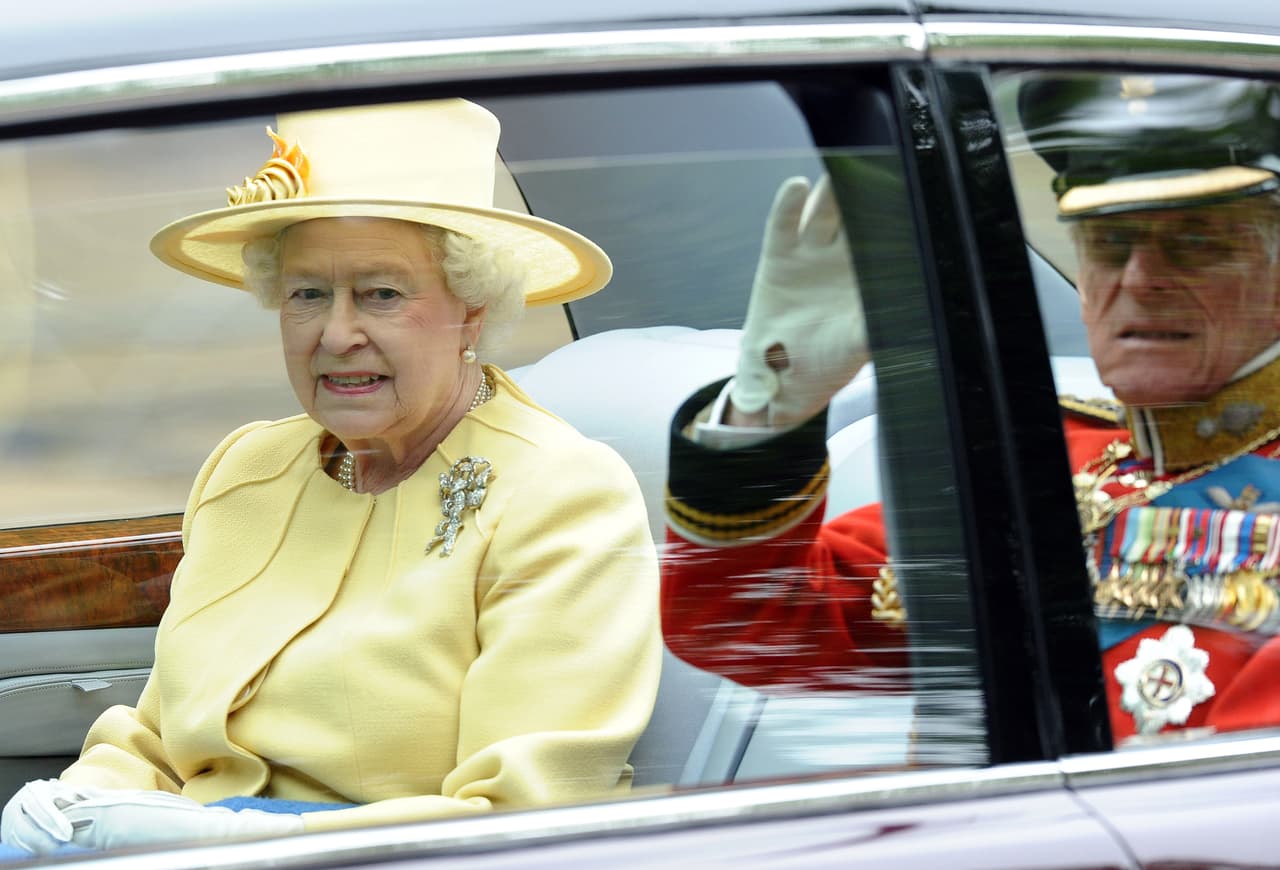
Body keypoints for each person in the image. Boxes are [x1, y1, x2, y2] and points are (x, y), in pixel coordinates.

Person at [0, 99, 660, 856]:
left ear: (471, 311)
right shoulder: (248, 469)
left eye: (381, 293)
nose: (337, 334)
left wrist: (236, 842)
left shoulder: (562, 493)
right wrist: (84, 805)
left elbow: (517, 820)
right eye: (308, 294)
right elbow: (155, 734)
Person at [660, 72, 1280, 743]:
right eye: (1108, 242)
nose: (1137, 280)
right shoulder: (1054, 458)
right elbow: (745, 624)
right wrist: (771, 401)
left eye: (1195, 244)